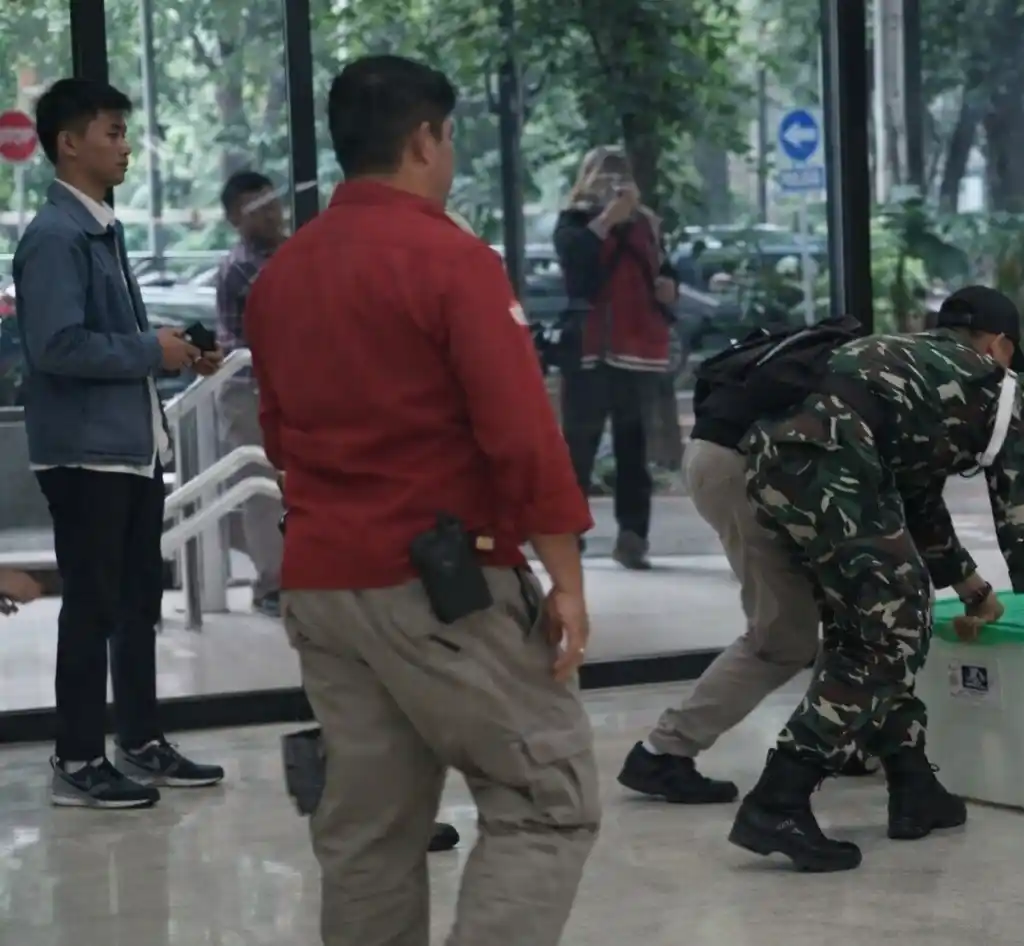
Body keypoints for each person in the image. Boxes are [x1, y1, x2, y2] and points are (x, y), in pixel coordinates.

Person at [243, 55, 598, 946]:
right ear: (423, 139)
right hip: (443, 580)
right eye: (448, 138)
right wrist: (565, 578)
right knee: (545, 801)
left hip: (324, 584)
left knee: (366, 834)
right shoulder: (452, 260)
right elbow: (520, 434)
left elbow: (281, 440)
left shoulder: (282, 274)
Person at [726, 286, 1024, 873]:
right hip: (834, 461)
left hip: (776, 460)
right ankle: (779, 798)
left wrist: (970, 587)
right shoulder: (993, 384)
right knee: (889, 633)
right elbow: (1022, 508)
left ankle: (911, 786)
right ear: (1000, 344)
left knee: (869, 622)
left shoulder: (899, 359)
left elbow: (917, 501)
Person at [15, 78, 225, 810]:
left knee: (137, 603)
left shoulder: (100, 228)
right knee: (94, 606)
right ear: (69, 143)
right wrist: (150, 350)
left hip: (132, 449)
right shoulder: (53, 237)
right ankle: (77, 757)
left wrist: (175, 352)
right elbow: (56, 346)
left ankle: (140, 739)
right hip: (84, 455)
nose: (125, 145)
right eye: (111, 132)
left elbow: (114, 342)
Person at [616, 319, 880, 806]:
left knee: (842, 605)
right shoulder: (903, 380)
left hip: (731, 455)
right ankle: (663, 751)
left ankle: (841, 740)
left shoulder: (872, 360)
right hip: (742, 466)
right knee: (781, 638)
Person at [552, 147, 680, 570]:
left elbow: (664, 268)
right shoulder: (573, 222)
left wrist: (669, 288)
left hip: (638, 350)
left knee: (633, 449)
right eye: (603, 174)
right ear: (586, 178)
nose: (612, 181)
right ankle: (569, 532)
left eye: (619, 172)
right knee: (578, 448)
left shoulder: (650, 224)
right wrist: (606, 221)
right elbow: (577, 269)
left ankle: (632, 535)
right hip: (589, 351)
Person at [214, 170, 287, 618]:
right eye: (257, 207)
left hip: (282, 389)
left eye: (273, 201)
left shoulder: (291, 252)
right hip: (249, 392)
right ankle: (271, 585)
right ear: (235, 219)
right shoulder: (243, 266)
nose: (273, 212)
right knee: (261, 490)